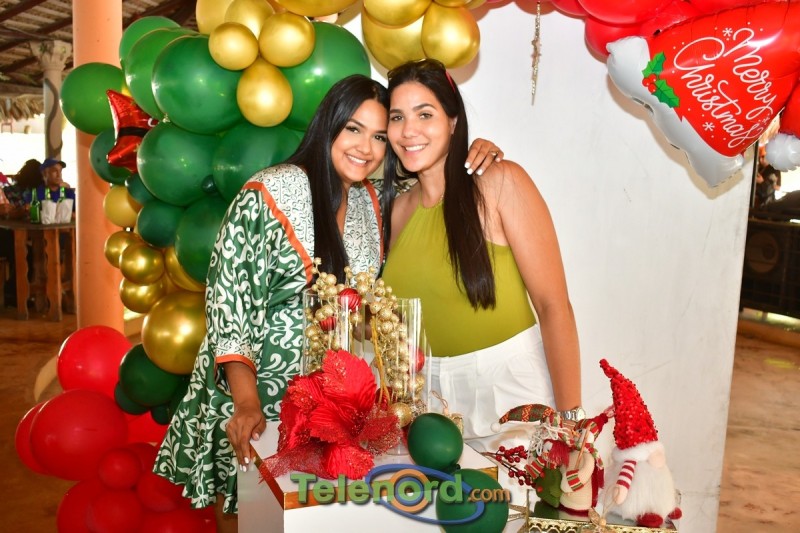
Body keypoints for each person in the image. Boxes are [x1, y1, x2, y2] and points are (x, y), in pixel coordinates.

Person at [153, 73, 502, 531]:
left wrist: (477, 152)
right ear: (328, 126)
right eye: (353, 129)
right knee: (251, 514)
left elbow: (430, 182)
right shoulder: (271, 190)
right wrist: (246, 402)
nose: (366, 147)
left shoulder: (369, 202)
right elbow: (228, 303)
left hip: (324, 405)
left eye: (379, 136)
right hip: (252, 396)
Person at [380, 59, 582, 443]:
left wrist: (572, 419)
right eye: (397, 117)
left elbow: (553, 306)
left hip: (510, 394)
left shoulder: (500, 183)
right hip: (426, 405)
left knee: (526, 487)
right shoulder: (397, 210)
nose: (408, 131)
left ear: (453, 121)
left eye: (425, 114)